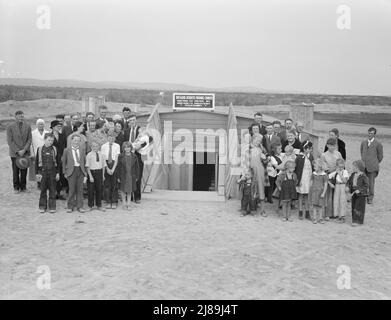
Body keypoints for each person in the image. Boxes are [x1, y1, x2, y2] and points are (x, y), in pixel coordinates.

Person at [6, 110, 32, 193]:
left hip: (25, 152)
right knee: (16, 170)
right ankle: (16, 187)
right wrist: (18, 151)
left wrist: (24, 150)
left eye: (22, 116)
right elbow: (10, 141)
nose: (21, 117)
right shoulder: (10, 127)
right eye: (19, 116)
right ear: (15, 117)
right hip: (15, 153)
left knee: (24, 170)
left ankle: (23, 187)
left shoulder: (28, 126)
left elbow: (29, 139)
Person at [62, 134, 87, 213]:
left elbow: (84, 161)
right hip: (71, 171)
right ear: (71, 140)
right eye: (75, 140)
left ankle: (80, 206)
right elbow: (63, 162)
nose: (76, 142)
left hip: (80, 170)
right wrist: (64, 172)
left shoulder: (82, 149)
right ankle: (70, 206)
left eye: (78, 140)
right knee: (72, 190)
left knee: (80, 189)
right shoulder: (67, 150)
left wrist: (85, 172)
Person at [35, 133, 60, 214]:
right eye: (49, 140)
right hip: (42, 172)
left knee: (53, 190)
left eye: (52, 140)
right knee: (43, 190)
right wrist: (37, 173)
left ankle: (52, 206)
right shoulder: (40, 149)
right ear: (44, 139)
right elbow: (36, 163)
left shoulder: (54, 149)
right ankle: (42, 206)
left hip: (52, 172)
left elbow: (58, 162)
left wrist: (58, 173)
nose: (50, 142)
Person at [360, 127, 383, 205]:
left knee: (371, 183)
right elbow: (361, 152)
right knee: (363, 181)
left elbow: (380, 156)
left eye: (372, 133)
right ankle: (363, 196)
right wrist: (364, 161)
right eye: (369, 133)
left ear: (374, 134)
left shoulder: (378, 144)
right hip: (363, 166)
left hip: (373, 166)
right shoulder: (363, 142)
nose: (370, 134)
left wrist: (374, 162)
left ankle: (370, 198)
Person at [321, 138, 343, 219]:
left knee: (337, 195)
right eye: (330, 146)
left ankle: (336, 213)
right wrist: (330, 170)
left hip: (338, 176)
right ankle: (328, 214)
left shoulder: (338, 154)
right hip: (329, 175)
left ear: (336, 146)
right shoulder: (324, 155)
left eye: (333, 146)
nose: (332, 147)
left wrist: (340, 171)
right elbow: (323, 167)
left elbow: (341, 164)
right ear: (327, 145)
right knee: (328, 195)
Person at [124, 113, 143, 203]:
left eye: (133, 120)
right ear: (128, 122)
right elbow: (125, 143)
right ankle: (129, 196)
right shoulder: (127, 131)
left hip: (138, 156)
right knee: (129, 176)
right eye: (130, 120)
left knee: (137, 176)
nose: (132, 122)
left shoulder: (141, 130)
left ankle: (137, 197)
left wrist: (140, 146)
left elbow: (148, 140)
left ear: (136, 120)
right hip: (128, 157)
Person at [118, 142, 140, 210]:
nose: (127, 149)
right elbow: (118, 167)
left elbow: (137, 167)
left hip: (131, 175)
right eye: (125, 147)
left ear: (131, 148)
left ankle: (128, 203)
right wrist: (118, 176)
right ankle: (124, 203)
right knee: (123, 190)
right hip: (123, 175)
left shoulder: (134, 156)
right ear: (123, 148)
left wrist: (137, 176)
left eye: (128, 147)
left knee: (129, 190)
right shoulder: (121, 156)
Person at [295, 141, 314, 220]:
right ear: (305, 149)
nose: (311, 150)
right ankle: (300, 211)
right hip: (302, 178)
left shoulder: (311, 156)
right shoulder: (299, 157)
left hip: (308, 178)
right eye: (309, 148)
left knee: (307, 196)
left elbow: (312, 167)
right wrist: (297, 180)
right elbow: (296, 170)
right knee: (300, 195)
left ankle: (307, 212)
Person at [101, 132, 121, 209]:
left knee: (114, 184)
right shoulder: (103, 146)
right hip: (106, 165)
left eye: (113, 138)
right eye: (109, 137)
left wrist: (113, 169)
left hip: (114, 164)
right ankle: (108, 201)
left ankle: (114, 201)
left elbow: (116, 158)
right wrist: (107, 168)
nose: (111, 139)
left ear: (115, 138)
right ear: (107, 137)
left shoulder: (117, 146)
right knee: (107, 184)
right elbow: (103, 159)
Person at [249, 134, 268, 216]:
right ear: (253, 139)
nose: (259, 142)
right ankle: (249, 208)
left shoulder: (262, 149)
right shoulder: (247, 148)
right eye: (257, 140)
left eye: (260, 141)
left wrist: (265, 159)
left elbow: (266, 161)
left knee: (260, 189)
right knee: (249, 189)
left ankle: (262, 210)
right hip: (250, 170)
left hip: (260, 170)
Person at [347, 160, 369, 226]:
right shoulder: (353, 174)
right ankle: (354, 220)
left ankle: (358, 221)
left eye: (354, 166)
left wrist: (360, 190)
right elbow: (349, 182)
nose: (352, 168)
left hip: (361, 195)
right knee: (353, 206)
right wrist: (347, 187)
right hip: (354, 192)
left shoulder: (363, 176)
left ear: (358, 167)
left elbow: (366, 185)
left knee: (359, 207)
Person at [85, 141, 106, 211]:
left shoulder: (102, 154)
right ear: (91, 147)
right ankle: (90, 205)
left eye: (96, 146)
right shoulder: (89, 155)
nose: (95, 148)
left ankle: (99, 205)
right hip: (92, 172)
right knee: (91, 190)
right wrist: (90, 176)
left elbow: (103, 166)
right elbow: (87, 166)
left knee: (99, 189)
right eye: (93, 146)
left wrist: (103, 175)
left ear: (99, 147)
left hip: (99, 172)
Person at [30, 119, 49, 187]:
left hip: (46, 152)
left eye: (42, 124)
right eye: (39, 124)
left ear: (44, 125)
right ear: (37, 125)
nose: (41, 125)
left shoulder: (47, 132)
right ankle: (39, 183)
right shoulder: (33, 133)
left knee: (45, 168)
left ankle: (46, 183)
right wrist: (32, 153)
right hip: (36, 153)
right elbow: (31, 144)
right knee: (38, 168)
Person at [328, 158, 349, 223]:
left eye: (342, 166)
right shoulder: (335, 172)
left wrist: (339, 173)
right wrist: (330, 184)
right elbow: (327, 177)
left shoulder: (345, 172)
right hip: (337, 186)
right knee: (336, 200)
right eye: (339, 166)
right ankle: (337, 215)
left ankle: (342, 216)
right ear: (337, 166)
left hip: (342, 185)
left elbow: (345, 180)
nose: (341, 168)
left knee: (342, 200)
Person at [309, 159, 328, 224]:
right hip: (314, 192)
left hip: (321, 192)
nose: (314, 168)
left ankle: (320, 218)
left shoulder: (324, 175)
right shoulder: (313, 174)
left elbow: (325, 185)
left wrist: (323, 193)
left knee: (320, 206)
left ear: (320, 167)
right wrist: (310, 189)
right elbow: (311, 182)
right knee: (314, 206)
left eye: (315, 166)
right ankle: (314, 218)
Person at [51, 120, 67, 199]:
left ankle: (60, 192)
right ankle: (54, 193)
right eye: (58, 126)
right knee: (54, 175)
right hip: (52, 158)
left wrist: (63, 156)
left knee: (61, 175)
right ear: (53, 127)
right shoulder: (49, 136)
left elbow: (65, 147)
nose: (59, 128)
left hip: (61, 158)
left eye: (60, 126)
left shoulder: (62, 136)